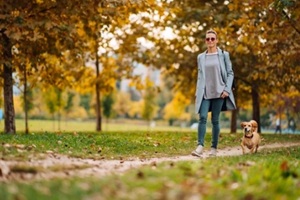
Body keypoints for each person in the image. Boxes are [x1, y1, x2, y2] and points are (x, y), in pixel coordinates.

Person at [192, 29, 236, 157]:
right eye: (208, 39)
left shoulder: (224, 55)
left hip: (220, 92)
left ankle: (213, 149)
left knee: (215, 120)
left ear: (216, 40)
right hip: (205, 93)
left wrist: (227, 89)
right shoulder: (200, 57)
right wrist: (198, 92)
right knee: (202, 118)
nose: (210, 41)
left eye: (212, 38)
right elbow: (200, 76)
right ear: (205, 41)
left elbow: (230, 73)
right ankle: (200, 147)